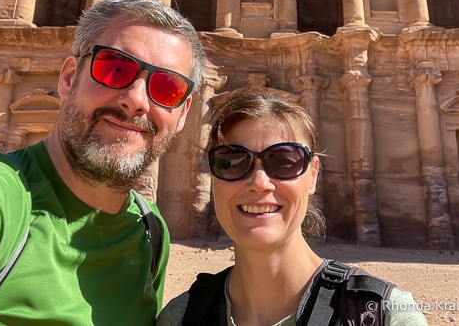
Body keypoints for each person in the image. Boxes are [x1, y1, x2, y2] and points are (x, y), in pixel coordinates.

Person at [0, 0, 206, 325]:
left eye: (167, 88)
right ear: (69, 78)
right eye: (115, 68)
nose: (136, 100)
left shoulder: (149, 232)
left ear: (183, 114)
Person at [159, 86, 427, 326]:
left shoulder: (385, 315)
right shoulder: (180, 317)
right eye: (231, 161)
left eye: (285, 161)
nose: (259, 183)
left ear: (313, 176)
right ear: (213, 176)